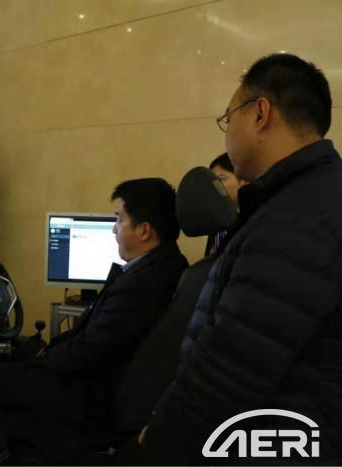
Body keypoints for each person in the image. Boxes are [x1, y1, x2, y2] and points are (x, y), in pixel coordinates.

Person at [136, 53, 342, 464]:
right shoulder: (308, 196)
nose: (227, 133)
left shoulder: (298, 216)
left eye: (228, 118)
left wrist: (159, 441)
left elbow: (230, 369)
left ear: (260, 113)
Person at [0, 178, 188, 465]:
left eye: (119, 220)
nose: (114, 229)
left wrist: (42, 360)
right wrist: (42, 352)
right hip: (96, 382)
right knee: (10, 358)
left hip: (88, 397)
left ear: (144, 231)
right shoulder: (166, 266)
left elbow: (90, 350)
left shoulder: (146, 282)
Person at [204, 153, 246, 255]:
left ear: (243, 180)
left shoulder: (255, 222)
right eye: (212, 182)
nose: (214, 187)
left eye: (220, 179)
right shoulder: (217, 224)